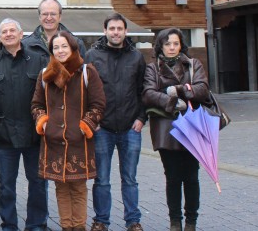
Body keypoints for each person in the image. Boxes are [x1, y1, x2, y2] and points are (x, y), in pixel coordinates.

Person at [0, 18, 49, 231]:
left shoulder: (39, 60)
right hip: (4, 135)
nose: (8, 34)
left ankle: (36, 224)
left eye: (12, 31)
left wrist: (44, 121)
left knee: (38, 184)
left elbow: (50, 93)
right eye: (4, 32)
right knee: (6, 186)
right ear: (0, 37)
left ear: (21, 34)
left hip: (35, 135)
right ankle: (9, 225)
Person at [32, 31, 105, 231]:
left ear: (73, 47)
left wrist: (84, 126)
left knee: (79, 188)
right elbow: (36, 104)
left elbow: (98, 104)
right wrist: (43, 122)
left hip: (78, 141)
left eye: (64, 46)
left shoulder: (87, 72)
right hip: (53, 141)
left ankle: (79, 226)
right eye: (56, 47)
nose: (60, 50)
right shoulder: (46, 74)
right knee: (61, 188)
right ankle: (66, 226)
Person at [142, 28, 209, 231]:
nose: (172, 47)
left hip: (192, 126)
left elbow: (203, 89)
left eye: (176, 43)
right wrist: (172, 102)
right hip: (166, 129)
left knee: (191, 176)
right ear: (160, 46)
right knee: (172, 177)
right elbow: (148, 93)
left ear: (181, 45)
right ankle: (175, 221)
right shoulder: (153, 68)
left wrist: (180, 91)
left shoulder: (193, 64)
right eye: (168, 44)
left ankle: (191, 221)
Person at [85, 13, 147, 231]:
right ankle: (101, 220)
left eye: (119, 29)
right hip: (103, 128)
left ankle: (133, 221)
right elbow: (85, 91)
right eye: (112, 29)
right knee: (101, 179)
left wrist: (141, 118)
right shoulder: (92, 55)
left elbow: (143, 91)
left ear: (126, 31)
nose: (116, 32)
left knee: (130, 178)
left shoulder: (137, 57)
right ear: (105, 31)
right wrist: (93, 120)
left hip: (131, 127)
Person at [22, 0, 86, 72]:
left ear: (60, 17)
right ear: (39, 17)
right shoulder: (25, 45)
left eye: (53, 14)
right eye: (45, 14)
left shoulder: (76, 44)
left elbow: (83, 75)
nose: (49, 18)